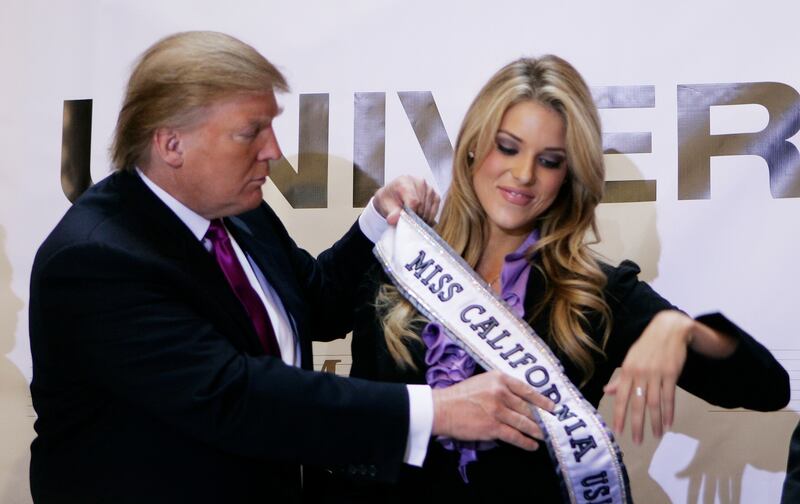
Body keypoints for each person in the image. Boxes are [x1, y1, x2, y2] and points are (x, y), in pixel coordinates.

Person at [27, 32, 553, 504]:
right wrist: (434, 412)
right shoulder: (96, 262)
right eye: (249, 133)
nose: (273, 152)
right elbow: (234, 395)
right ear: (171, 144)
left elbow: (314, 303)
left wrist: (377, 223)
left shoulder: (239, 208)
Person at [337, 55, 791, 502]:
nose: (524, 174)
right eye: (508, 147)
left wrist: (683, 330)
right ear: (473, 145)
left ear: (568, 175)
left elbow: (767, 388)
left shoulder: (593, 294)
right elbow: (347, 429)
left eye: (550, 160)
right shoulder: (401, 262)